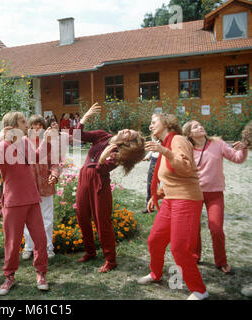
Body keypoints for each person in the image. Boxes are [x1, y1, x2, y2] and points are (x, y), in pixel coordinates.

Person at [138, 114, 208, 300]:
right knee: (155, 240)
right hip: (170, 199)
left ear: (166, 123)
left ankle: (200, 290)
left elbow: (185, 169)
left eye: (153, 122)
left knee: (179, 249)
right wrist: (157, 196)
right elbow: (170, 177)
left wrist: (165, 151)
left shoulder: (178, 140)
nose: (150, 125)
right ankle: (155, 274)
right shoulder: (166, 142)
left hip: (186, 200)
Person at [0, 111, 52, 296]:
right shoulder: (2, 146)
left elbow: (36, 157)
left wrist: (46, 140)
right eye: (23, 122)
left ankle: (41, 273)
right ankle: (9, 276)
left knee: (40, 239)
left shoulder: (25, 142)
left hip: (32, 198)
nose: (26, 125)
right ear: (12, 126)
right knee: (12, 243)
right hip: (13, 201)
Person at [74, 103, 146, 273]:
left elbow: (101, 169)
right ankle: (90, 252)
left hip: (99, 182)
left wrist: (103, 158)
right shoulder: (103, 136)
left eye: (130, 133)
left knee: (102, 221)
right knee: (82, 215)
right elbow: (78, 136)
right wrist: (85, 117)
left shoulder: (120, 153)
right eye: (129, 129)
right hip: (84, 176)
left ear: (129, 141)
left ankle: (110, 260)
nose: (126, 130)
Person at [182, 120, 248, 275]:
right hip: (194, 193)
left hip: (215, 193)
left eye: (200, 125)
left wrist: (243, 149)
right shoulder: (187, 148)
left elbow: (237, 158)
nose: (201, 127)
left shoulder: (218, 144)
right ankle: (195, 256)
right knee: (193, 228)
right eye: (196, 127)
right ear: (189, 134)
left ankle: (221, 261)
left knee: (216, 229)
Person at [22, 114, 62, 260]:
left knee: (47, 217)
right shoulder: (23, 142)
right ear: (29, 127)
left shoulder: (50, 143)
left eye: (40, 125)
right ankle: (29, 247)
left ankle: (47, 247)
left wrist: (54, 174)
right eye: (34, 125)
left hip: (45, 185)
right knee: (27, 218)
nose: (37, 127)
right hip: (27, 186)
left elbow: (55, 163)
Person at [142, 136, 159, 213]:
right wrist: (148, 156)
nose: (151, 127)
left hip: (164, 158)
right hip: (154, 159)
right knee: (151, 184)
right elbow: (154, 147)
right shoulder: (154, 134)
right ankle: (149, 206)